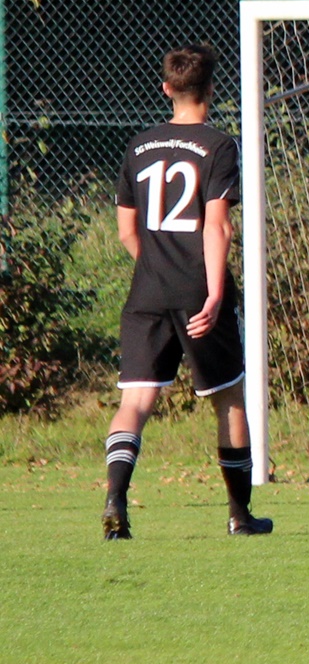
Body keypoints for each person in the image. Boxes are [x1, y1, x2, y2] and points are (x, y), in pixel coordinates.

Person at [102, 44, 270, 539]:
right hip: (198, 290)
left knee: (135, 401)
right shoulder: (219, 145)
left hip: (147, 291)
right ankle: (240, 515)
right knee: (230, 399)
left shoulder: (139, 145)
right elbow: (216, 226)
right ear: (211, 89)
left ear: (166, 89)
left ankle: (115, 500)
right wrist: (214, 294)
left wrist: (157, 266)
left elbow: (126, 230)